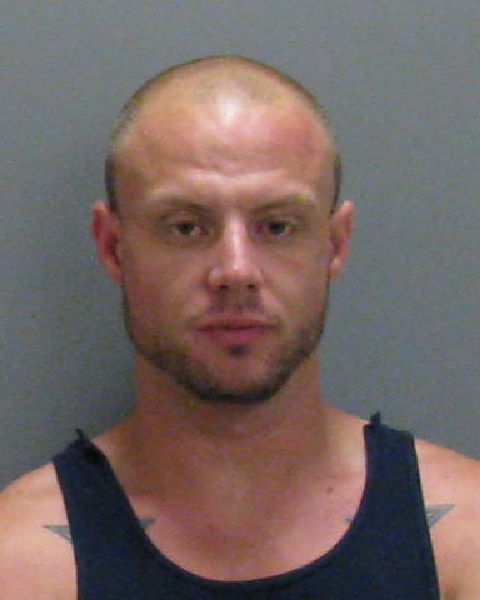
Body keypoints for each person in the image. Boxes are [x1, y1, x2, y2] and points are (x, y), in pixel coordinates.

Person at [0, 55, 479, 599]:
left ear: (335, 245)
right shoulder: (20, 566)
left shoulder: (464, 541)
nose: (236, 271)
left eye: (277, 226)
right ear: (114, 247)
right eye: (186, 227)